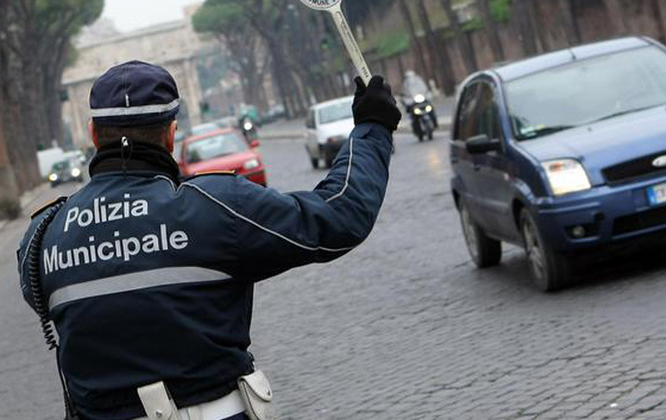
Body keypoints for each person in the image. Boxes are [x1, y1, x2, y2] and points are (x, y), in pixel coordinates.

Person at [17, 61, 401, 420]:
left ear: (92, 135)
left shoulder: (43, 234)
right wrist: (371, 129)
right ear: (170, 135)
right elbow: (339, 216)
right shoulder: (218, 206)